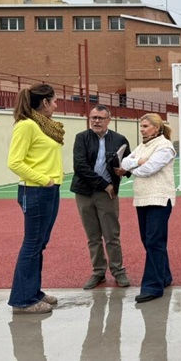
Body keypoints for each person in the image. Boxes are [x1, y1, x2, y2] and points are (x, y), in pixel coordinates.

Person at [6, 83, 64, 314]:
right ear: (45, 102)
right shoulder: (26, 125)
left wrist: (51, 183)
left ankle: (33, 292)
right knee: (32, 244)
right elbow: (14, 162)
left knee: (39, 243)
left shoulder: (43, 125)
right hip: (36, 190)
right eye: (54, 101)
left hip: (49, 190)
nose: (56, 105)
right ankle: (22, 300)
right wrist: (44, 180)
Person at [70, 105, 132, 290]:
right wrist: (104, 184)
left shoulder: (120, 140)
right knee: (93, 236)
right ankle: (98, 272)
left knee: (111, 235)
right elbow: (80, 166)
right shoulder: (81, 138)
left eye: (100, 118)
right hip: (85, 193)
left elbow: (127, 162)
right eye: (93, 117)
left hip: (108, 196)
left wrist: (125, 170)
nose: (96, 121)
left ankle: (118, 271)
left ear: (109, 120)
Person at [118, 113, 176, 304]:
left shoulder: (165, 146)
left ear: (157, 128)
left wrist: (133, 166)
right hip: (143, 199)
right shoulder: (143, 146)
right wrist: (137, 162)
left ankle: (152, 287)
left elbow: (148, 169)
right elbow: (124, 161)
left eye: (145, 126)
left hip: (159, 199)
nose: (142, 129)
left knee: (154, 242)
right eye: (141, 126)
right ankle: (164, 276)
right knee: (149, 241)